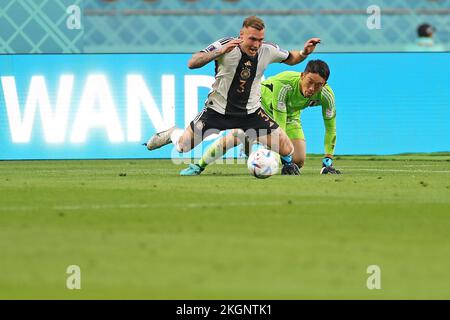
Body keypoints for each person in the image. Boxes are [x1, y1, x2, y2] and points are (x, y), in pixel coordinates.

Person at [145, 16, 321, 175]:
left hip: (251, 113)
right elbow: (193, 62)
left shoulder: (268, 50)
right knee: (182, 147)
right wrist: (218, 53)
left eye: (260, 40)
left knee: (287, 148)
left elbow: (292, 58)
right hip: (217, 111)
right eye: (252, 39)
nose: (256, 45)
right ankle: (172, 133)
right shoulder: (225, 45)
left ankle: (285, 164)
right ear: (242, 34)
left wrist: (304, 52)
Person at [180, 59, 341, 175]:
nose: (312, 88)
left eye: (318, 85)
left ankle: (252, 143)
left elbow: (330, 127)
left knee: (298, 160)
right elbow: (279, 127)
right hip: (259, 107)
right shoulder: (284, 86)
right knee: (235, 137)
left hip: (291, 115)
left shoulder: (327, 96)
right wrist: (286, 161)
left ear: (325, 84)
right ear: (302, 75)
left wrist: (328, 160)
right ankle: (198, 166)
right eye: (310, 82)